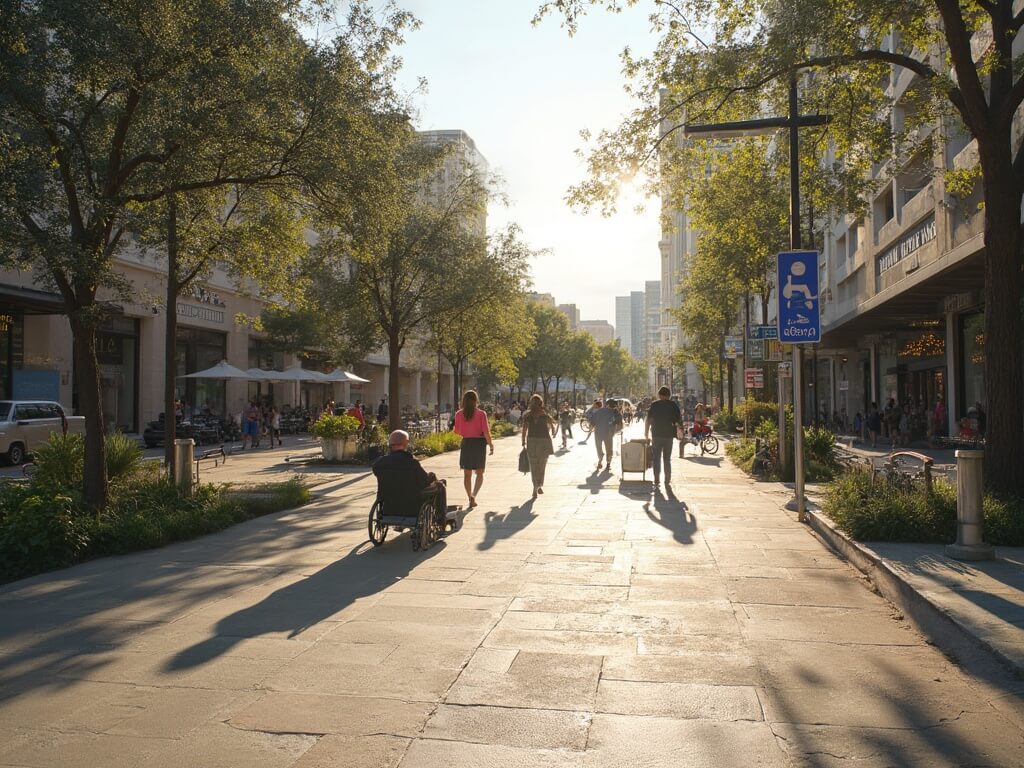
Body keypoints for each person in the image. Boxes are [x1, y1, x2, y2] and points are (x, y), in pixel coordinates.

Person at [371, 430, 447, 528]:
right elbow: (423, 482)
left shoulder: (379, 464)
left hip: (389, 503)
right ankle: (441, 520)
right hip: (412, 504)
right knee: (440, 485)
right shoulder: (412, 463)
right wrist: (431, 477)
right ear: (406, 443)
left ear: (390, 444)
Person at [453, 390, 493, 508]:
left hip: (466, 443)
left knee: (467, 474)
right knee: (479, 473)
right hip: (479, 444)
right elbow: (486, 431)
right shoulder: (481, 414)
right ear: (476, 400)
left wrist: (467, 430)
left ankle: (469, 495)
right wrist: (490, 445)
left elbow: (457, 431)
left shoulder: (459, 414)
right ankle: (474, 495)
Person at [645, 386, 683, 488]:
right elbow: (678, 420)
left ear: (659, 395)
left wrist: (645, 433)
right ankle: (667, 479)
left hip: (656, 434)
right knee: (667, 458)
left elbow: (648, 420)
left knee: (657, 458)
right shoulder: (673, 405)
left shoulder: (654, 405)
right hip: (668, 435)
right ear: (669, 395)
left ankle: (656, 479)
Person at [521, 394, 556, 497]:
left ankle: (535, 487)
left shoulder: (527, 415)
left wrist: (523, 441)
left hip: (531, 441)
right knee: (542, 465)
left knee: (533, 465)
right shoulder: (545, 414)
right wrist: (552, 431)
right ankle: (539, 485)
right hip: (544, 441)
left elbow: (524, 429)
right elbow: (552, 426)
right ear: (541, 403)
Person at [589, 399, 619, 471]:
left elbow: (592, 421)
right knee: (608, 449)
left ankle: (601, 459)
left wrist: (591, 427)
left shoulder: (600, 411)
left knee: (599, 447)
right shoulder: (614, 412)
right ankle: (608, 464)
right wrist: (615, 431)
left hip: (598, 432)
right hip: (607, 433)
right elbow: (619, 423)